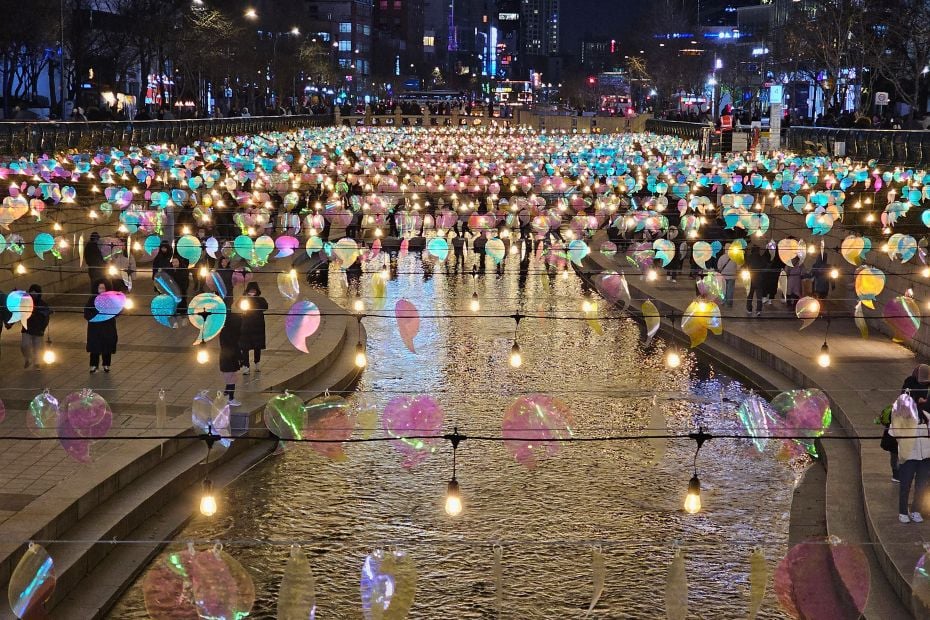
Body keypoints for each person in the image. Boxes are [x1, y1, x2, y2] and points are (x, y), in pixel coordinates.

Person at [890, 385, 930, 523]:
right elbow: (893, 432)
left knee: (921, 485)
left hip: (925, 457)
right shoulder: (901, 416)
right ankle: (902, 511)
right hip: (908, 457)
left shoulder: (927, 416)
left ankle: (916, 510)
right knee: (905, 485)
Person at [84, 280, 118, 373]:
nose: (102, 290)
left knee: (107, 346)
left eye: (103, 288)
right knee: (95, 347)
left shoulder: (110, 299)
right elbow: (87, 314)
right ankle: (93, 365)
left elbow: (116, 312)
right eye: (100, 288)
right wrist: (97, 314)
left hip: (108, 327)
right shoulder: (92, 300)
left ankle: (106, 364)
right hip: (95, 328)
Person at [239, 282, 268, 375]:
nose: (252, 293)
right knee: (244, 347)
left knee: (257, 346)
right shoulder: (244, 300)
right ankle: (246, 366)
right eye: (250, 291)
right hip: (246, 327)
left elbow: (265, 307)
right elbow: (238, 305)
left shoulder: (260, 300)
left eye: (253, 291)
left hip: (257, 327)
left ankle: (257, 362)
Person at [21, 284, 51, 370]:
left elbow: (46, 317)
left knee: (37, 347)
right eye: (31, 293)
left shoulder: (43, 304)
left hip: (38, 329)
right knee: (24, 345)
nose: (33, 295)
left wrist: (43, 328)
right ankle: (28, 358)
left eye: (35, 293)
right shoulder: (25, 303)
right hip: (27, 328)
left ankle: (37, 363)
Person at [219, 311, 243, 406]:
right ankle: (230, 397)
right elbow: (234, 346)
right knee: (231, 379)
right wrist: (240, 357)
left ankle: (226, 395)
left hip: (227, 357)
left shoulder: (225, 331)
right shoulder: (231, 333)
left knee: (231, 378)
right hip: (229, 358)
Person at [745, 246, 767, 316]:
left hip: (750, 279)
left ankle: (749, 309)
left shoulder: (749, 258)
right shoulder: (761, 258)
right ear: (758, 251)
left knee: (749, 295)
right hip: (759, 279)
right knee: (759, 296)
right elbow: (765, 266)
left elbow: (745, 266)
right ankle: (758, 310)